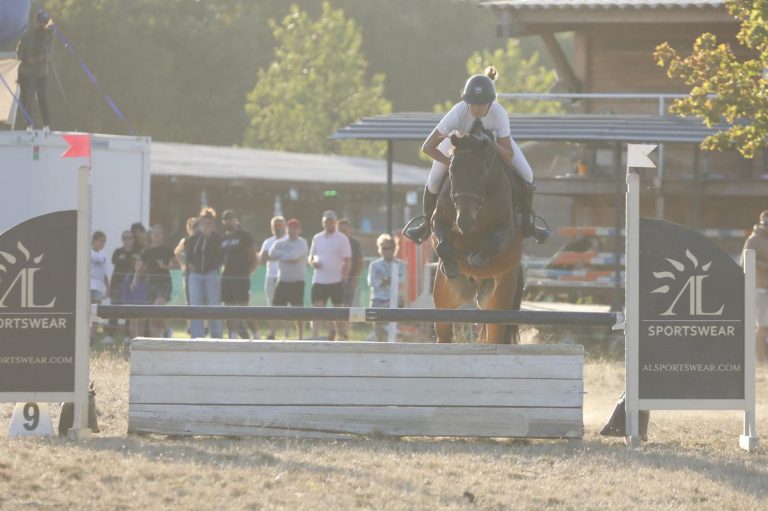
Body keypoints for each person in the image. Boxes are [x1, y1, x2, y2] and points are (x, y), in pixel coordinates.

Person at [403, 65, 550, 245]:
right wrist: (450, 163)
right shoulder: (458, 111)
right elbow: (428, 147)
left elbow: (509, 155)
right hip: (457, 143)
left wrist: (492, 143)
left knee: (527, 174)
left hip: (492, 144)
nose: (476, 108)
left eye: (481, 104)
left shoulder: (499, 114)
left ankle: (528, 220)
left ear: (490, 103)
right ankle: (425, 223)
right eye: (472, 103)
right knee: (433, 181)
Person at [308, 210, 351, 340]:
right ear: (323, 223)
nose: (329, 224)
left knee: (338, 311)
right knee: (317, 310)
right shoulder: (317, 238)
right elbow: (310, 257)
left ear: (335, 222)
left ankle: (342, 336)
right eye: (326, 222)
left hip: (335, 281)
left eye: (331, 221)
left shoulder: (342, 238)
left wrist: (344, 276)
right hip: (319, 280)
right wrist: (313, 262)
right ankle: (314, 336)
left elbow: (347, 260)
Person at [184, 208, 223, 338]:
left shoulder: (217, 239)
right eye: (204, 223)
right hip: (195, 276)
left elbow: (220, 257)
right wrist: (189, 265)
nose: (206, 225)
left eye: (209, 223)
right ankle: (197, 336)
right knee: (195, 305)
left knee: (214, 306)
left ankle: (216, 335)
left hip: (211, 274)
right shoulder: (193, 239)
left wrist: (212, 267)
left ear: (213, 224)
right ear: (200, 224)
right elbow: (188, 256)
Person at [220, 209, 259, 339]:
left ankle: (256, 334)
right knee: (229, 308)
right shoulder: (224, 237)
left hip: (241, 276)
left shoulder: (245, 235)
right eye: (226, 219)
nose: (228, 221)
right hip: (227, 277)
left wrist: (246, 273)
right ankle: (233, 335)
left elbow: (254, 258)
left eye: (231, 218)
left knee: (244, 308)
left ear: (236, 219)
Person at [133, 225, 175, 337]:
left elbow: (176, 265)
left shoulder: (167, 249)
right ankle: (155, 343)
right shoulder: (146, 251)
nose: (156, 234)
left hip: (165, 283)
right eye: (153, 233)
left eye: (158, 232)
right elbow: (140, 268)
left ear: (163, 236)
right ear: (150, 236)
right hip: (151, 284)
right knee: (152, 316)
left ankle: (167, 329)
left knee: (156, 309)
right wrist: (134, 281)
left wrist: (165, 266)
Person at [269, 218, 309, 339]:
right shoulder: (280, 242)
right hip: (282, 280)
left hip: (297, 281)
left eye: (294, 228)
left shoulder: (301, 242)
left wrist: (281, 255)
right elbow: (271, 253)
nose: (291, 231)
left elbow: (294, 257)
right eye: (289, 228)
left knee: (298, 311)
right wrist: (285, 256)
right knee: (275, 308)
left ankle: (300, 336)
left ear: (299, 230)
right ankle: (272, 334)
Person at [16, 10, 54, 131]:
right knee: (26, 98)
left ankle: (47, 125)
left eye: (45, 22)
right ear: (36, 21)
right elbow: (19, 52)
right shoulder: (27, 35)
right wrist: (27, 59)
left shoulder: (49, 37)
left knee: (42, 97)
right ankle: (29, 124)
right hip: (25, 73)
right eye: (40, 22)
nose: (42, 24)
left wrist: (43, 57)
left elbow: (51, 54)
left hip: (41, 73)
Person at [367, 234, 405, 341]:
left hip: (394, 299)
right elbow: (372, 283)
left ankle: (391, 337)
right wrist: (390, 280)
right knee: (377, 316)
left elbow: (402, 281)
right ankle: (379, 343)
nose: (387, 250)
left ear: (394, 249)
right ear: (380, 249)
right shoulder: (374, 265)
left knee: (381, 312)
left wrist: (385, 280)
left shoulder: (401, 265)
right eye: (384, 248)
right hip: (378, 298)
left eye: (390, 248)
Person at [742, 210, 768, 364]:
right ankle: (759, 361)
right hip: (760, 288)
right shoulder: (755, 239)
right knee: (763, 326)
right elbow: (746, 261)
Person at [258, 216, 287, 340]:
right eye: (275, 226)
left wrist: (273, 255)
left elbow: (289, 257)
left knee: (287, 305)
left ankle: (287, 332)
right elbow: (262, 259)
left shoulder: (288, 240)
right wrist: (275, 256)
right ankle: (272, 332)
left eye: (280, 226)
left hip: (285, 277)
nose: (278, 229)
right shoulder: (268, 242)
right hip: (271, 276)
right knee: (271, 305)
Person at [108, 230, 135, 343]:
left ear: (133, 239)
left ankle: (127, 336)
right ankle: (110, 336)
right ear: (122, 239)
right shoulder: (118, 251)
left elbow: (132, 264)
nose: (127, 240)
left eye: (129, 238)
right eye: (125, 238)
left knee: (129, 311)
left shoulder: (137, 252)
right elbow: (115, 261)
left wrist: (124, 259)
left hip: (130, 286)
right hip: (116, 284)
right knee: (114, 310)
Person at [90, 231, 110, 344]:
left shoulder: (104, 255)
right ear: (94, 240)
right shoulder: (88, 253)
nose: (103, 243)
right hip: (88, 286)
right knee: (85, 312)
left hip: (98, 287)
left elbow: (105, 273)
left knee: (95, 313)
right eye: (101, 241)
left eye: (104, 241)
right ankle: (84, 335)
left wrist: (108, 287)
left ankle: (92, 337)